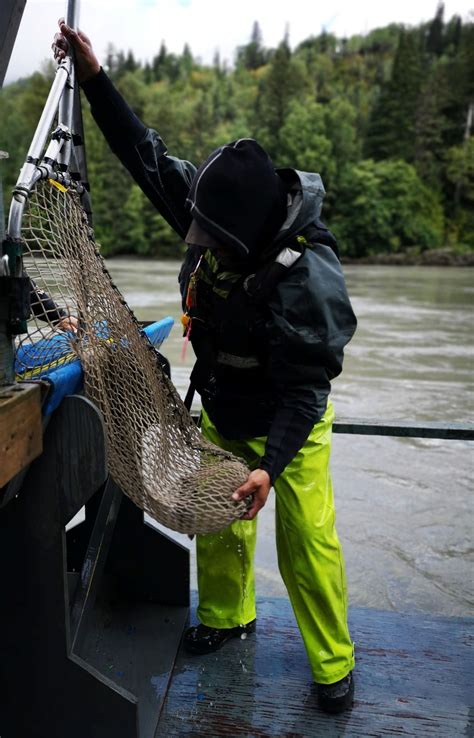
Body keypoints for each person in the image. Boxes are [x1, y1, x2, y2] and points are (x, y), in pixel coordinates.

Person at [53, 20, 358, 714]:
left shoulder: (310, 280)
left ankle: (334, 663)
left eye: (212, 244)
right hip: (224, 405)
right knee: (222, 526)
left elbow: (307, 391)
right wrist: (96, 80)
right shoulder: (215, 204)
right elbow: (144, 153)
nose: (199, 247)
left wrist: (270, 468)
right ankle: (226, 619)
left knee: (307, 542)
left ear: (251, 236)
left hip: (290, 423)